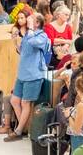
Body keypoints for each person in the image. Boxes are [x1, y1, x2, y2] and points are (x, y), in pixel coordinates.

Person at [7, 11, 51, 141]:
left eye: (31, 19)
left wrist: (30, 29)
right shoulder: (27, 34)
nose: (27, 20)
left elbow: (33, 43)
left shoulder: (42, 36)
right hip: (22, 73)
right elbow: (23, 51)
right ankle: (25, 128)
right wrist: (15, 42)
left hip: (34, 74)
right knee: (14, 100)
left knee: (25, 102)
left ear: (37, 23)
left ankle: (19, 130)